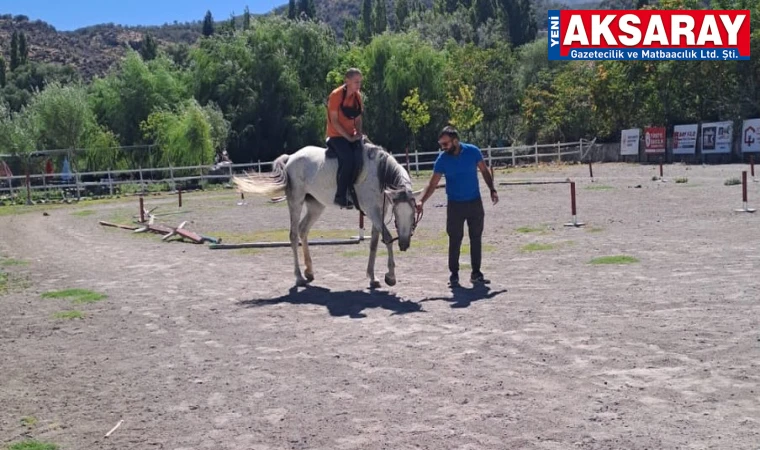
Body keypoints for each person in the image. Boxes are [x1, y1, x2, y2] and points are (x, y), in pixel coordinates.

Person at [416, 126, 499, 287]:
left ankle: (476, 273)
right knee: (455, 239)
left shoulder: (473, 151)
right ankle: (454, 274)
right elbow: (432, 183)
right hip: (455, 205)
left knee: (476, 238)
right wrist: (421, 200)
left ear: (455, 141)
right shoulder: (442, 159)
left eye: (445, 144)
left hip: (475, 202)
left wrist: (492, 189)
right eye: (441, 144)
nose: (443, 148)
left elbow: (484, 171)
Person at [326, 68, 364, 209]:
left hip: (352, 135)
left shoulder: (358, 97)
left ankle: (357, 190)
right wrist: (349, 137)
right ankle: (340, 196)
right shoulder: (335, 95)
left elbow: (359, 118)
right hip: (336, 135)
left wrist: (358, 133)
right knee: (348, 158)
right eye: (356, 82)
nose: (358, 85)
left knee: (363, 156)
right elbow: (334, 121)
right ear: (347, 81)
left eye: (360, 82)